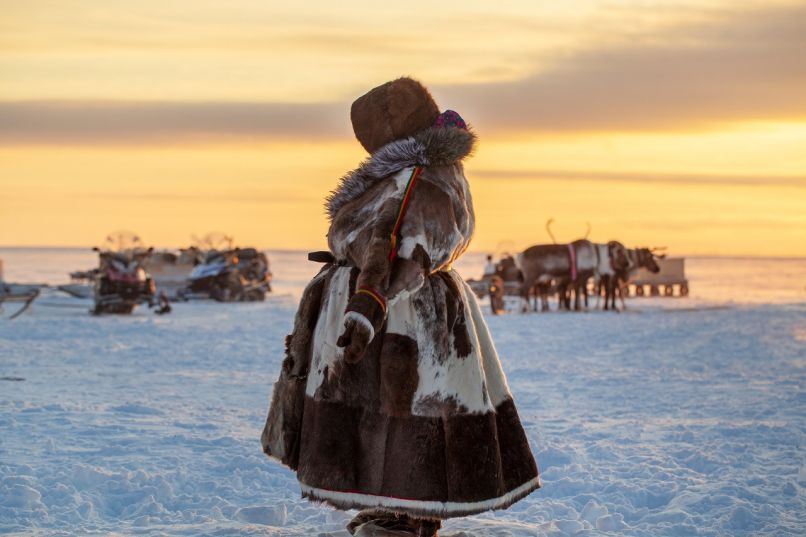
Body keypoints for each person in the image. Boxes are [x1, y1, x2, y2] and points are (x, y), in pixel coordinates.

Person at [262, 77, 539, 537]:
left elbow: (403, 251)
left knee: (409, 410)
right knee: (399, 411)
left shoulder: (419, 179)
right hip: (409, 311)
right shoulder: (424, 172)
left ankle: (414, 518)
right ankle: (397, 507)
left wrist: (366, 307)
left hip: (405, 317)